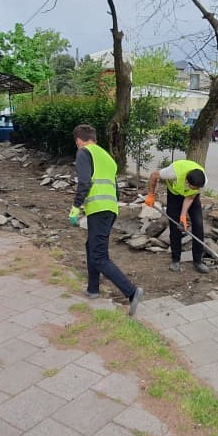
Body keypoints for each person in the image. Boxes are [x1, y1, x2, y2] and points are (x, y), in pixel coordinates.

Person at [68, 125, 144, 316]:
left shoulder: (84, 153)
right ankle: (93, 289)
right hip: (110, 210)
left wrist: (75, 208)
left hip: (98, 210)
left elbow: (84, 182)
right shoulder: (107, 158)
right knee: (91, 247)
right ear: (94, 138)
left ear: (78, 140)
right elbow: (116, 190)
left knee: (99, 256)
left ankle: (132, 292)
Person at [144, 159, 209, 273]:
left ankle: (198, 261)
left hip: (190, 199)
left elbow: (189, 198)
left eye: (196, 188)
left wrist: (183, 216)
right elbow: (154, 175)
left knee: (198, 224)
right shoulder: (172, 172)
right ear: (187, 182)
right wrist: (151, 194)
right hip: (174, 195)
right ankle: (175, 260)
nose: (195, 189)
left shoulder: (201, 181)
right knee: (175, 225)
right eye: (192, 186)